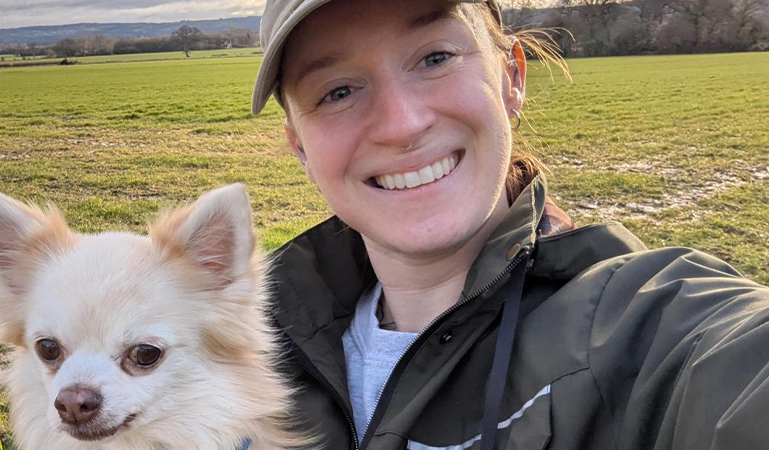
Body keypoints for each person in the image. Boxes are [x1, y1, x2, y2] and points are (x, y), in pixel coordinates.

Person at [251, 0, 769, 449]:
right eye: (338, 91)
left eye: (435, 58)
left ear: (512, 78)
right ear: (300, 147)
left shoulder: (640, 325)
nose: (402, 124)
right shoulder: (246, 341)